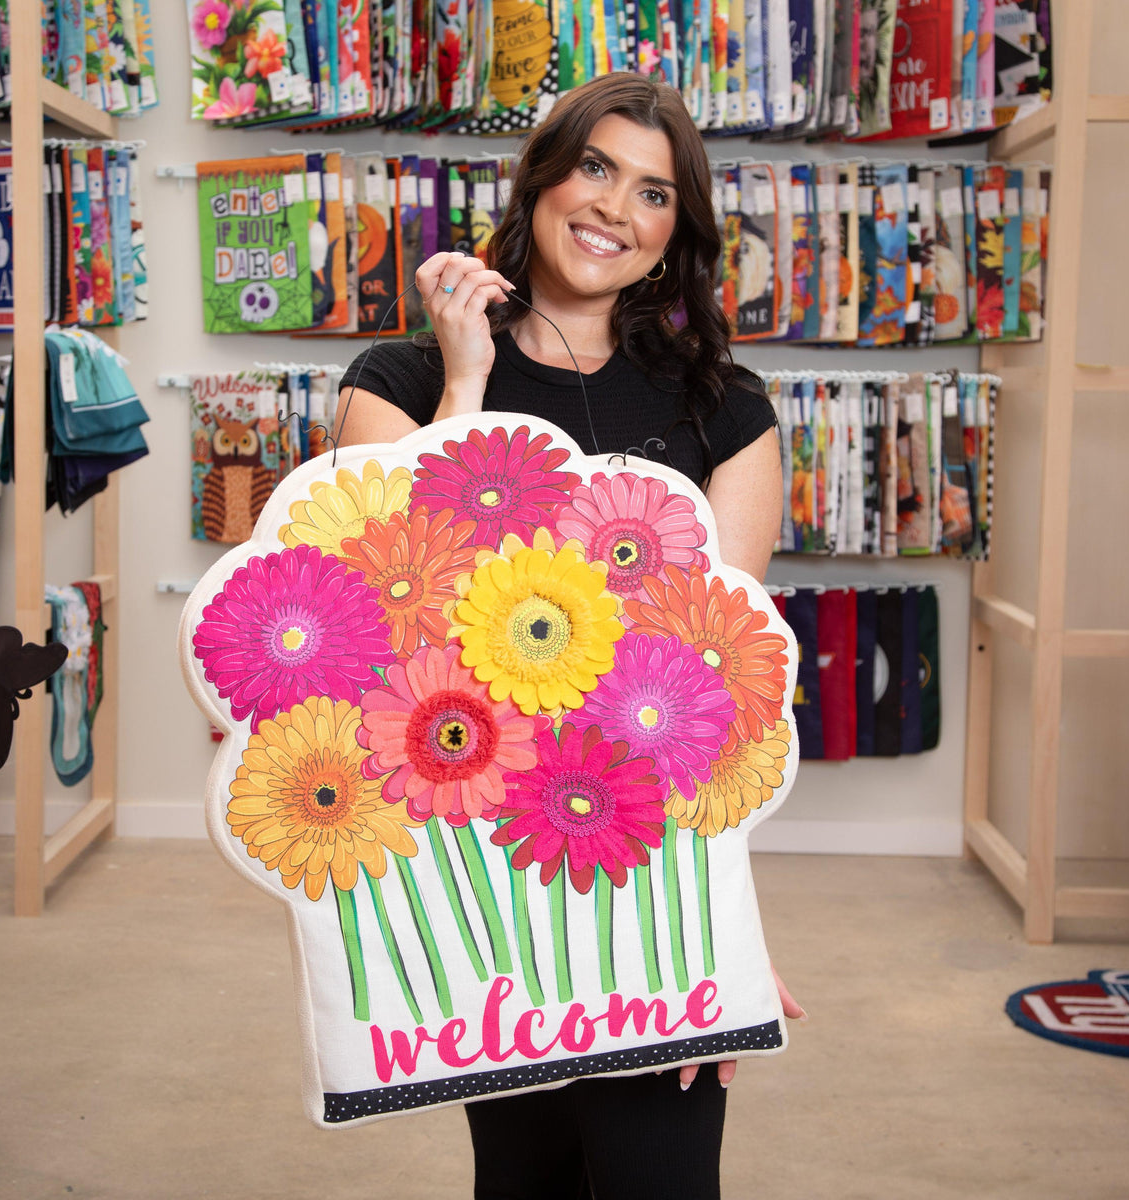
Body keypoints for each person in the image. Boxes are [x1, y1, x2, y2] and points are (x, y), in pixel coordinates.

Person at [335, 71, 804, 1200]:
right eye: (596, 167)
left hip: (647, 863)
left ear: (673, 232)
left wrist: (721, 933)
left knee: (663, 1173)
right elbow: (400, 628)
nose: (613, 209)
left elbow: (714, 702)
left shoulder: (725, 410)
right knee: (527, 1175)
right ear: (543, 175)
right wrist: (467, 380)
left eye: (653, 193)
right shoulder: (397, 384)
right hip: (480, 862)